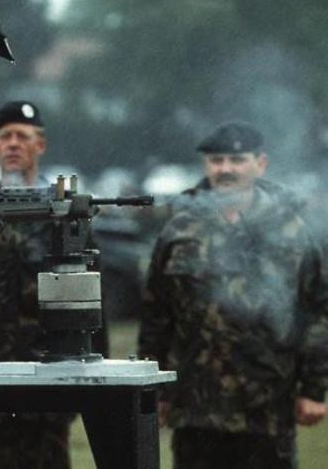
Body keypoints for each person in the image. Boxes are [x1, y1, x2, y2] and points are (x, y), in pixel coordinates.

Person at [138, 121, 328, 469]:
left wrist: (314, 389)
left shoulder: (291, 231)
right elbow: (156, 314)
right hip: (195, 406)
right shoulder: (180, 229)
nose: (225, 169)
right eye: (217, 160)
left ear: (260, 163)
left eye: (237, 160)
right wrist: (153, 392)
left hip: (266, 406)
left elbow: (316, 311)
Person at [0, 100, 93, 469]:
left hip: (47, 383)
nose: (13, 144)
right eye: (5, 136)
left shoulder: (65, 219)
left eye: (22, 137)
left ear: (39, 145)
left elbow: (89, 303)